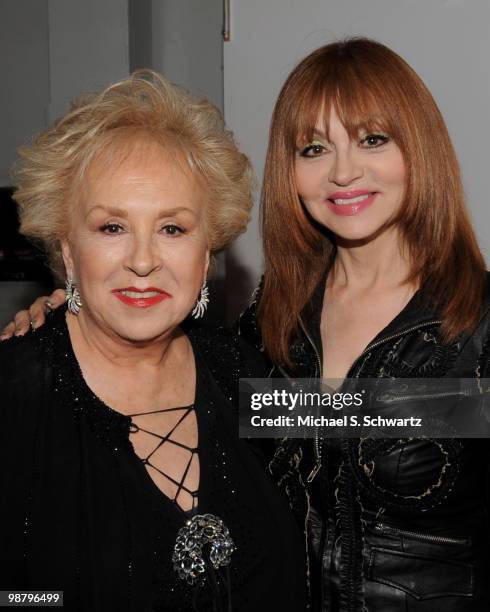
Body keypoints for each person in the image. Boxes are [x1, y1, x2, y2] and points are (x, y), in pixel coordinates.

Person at [7, 39, 490, 612]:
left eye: (373, 139)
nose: (343, 171)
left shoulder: (478, 321)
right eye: (313, 147)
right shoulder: (274, 323)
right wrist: (69, 317)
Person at [0, 71, 306, 611]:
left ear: (207, 251)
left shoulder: (243, 371)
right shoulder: (16, 395)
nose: (143, 261)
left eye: (173, 229)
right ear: (68, 251)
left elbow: (406, 413)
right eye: (112, 228)